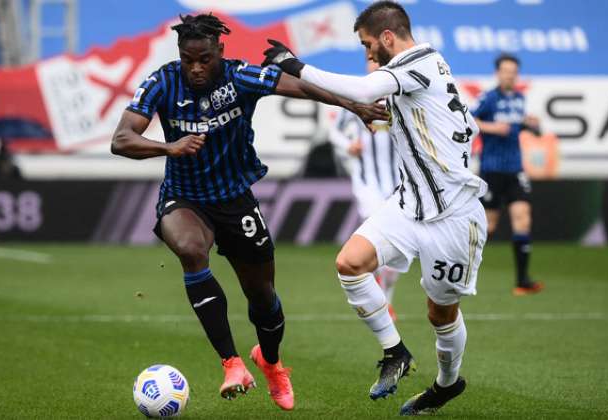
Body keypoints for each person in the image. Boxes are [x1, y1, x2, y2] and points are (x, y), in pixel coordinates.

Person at [111, 13, 386, 411]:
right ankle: (232, 363)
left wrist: (354, 105)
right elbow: (122, 139)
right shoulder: (162, 81)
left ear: (219, 51)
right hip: (184, 197)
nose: (195, 68)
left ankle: (271, 364)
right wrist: (168, 147)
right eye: (188, 59)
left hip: (235, 198)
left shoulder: (240, 77)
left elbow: (302, 88)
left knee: (262, 297)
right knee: (191, 251)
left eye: (204, 58)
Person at [263, 1, 487, 415]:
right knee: (350, 263)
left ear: (388, 37)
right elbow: (410, 117)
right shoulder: (417, 71)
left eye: (369, 46)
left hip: (454, 215)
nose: (368, 55)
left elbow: (365, 89)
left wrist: (295, 65)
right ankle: (395, 352)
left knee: (441, 313)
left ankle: (446, 384)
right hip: (408, 201)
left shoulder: (420, 60)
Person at [328, 59, 401, 320]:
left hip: (398, 184)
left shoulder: (399, 94)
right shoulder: (358, 95)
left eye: (378, 60)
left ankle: (386, 300)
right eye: (371, 61)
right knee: (376, 239)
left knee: (393, 251)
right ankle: (380, 300)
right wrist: (349, 145)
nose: (375, 64)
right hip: (367, 182)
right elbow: (334, 132)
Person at [472, 53, 543, 296]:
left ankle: (522, 281)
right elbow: (467, 120)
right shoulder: (488, 98)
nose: (509, 75)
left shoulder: (520, 99)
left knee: (523, 218)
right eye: (505, 71)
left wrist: (530, 125)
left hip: (515, 169)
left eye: (513, 71)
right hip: (491, 170)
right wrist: (492, 127)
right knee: (488, 227)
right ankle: (463, 269)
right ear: (498, 73)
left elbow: (518, 128)